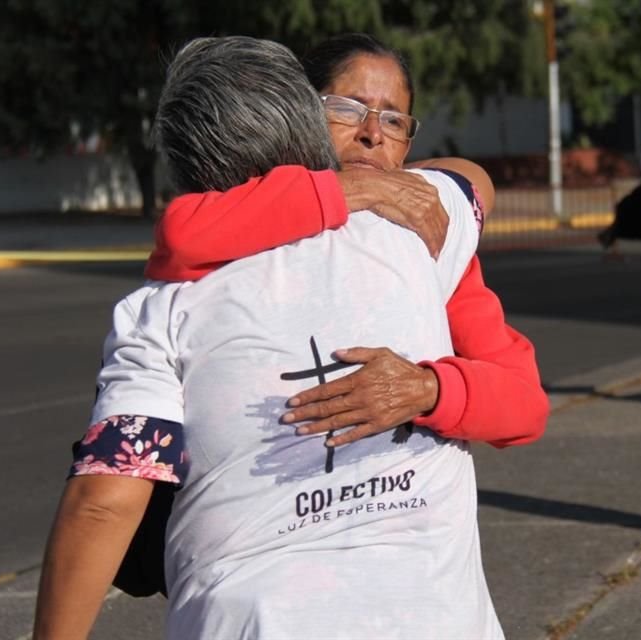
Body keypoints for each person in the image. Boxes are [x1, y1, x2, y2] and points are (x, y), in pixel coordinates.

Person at [34, 36, 504, 639]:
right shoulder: (413, 227)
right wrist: (362, 188)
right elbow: (473, 179)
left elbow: (106, 500)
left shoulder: (164, 309)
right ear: (309, 123)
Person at [143, 32, 549, 448]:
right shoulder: (259, 206)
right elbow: (182, 236)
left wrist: (428, 389)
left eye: (393, 120)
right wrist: (356, 189)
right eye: (347, 109)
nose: (373, 133)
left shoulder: (425, 235)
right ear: (302, 114)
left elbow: (526, 404)